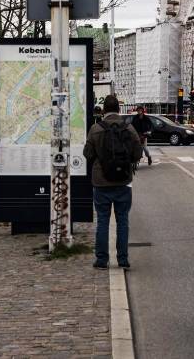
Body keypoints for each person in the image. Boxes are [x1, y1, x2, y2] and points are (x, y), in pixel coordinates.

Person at [84, 94, 142, 270]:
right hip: (123, 182)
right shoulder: (129, 128)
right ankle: (123, 260)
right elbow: (138, 154)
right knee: (122, 221)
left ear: (104, 110)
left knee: (102, 220)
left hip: (101, 182)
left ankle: (102, 260)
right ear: (118, 109)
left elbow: (87, 154)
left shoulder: (95, 129)